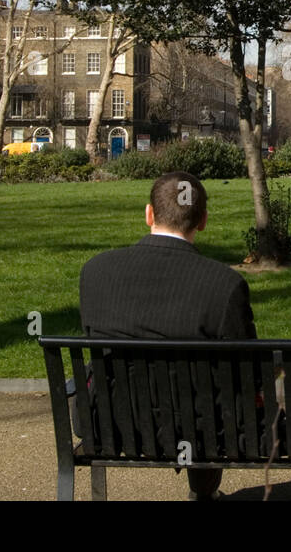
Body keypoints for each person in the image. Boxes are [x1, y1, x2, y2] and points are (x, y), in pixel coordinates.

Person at [79, 171, 256, 500]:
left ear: (149, 213)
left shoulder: (96, 271)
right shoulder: (224, 284)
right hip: (201, 427)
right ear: (203, 221)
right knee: (214, 393)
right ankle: (202, 494)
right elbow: (244, 370)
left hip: (113, 420)